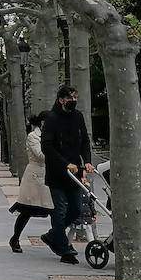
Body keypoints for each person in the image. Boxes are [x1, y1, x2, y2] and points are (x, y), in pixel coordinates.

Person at [40, 85, 92, 266]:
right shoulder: (51, 119)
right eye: (70, 97)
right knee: (60, 210)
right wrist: (64, 164)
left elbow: (85, 140)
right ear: (61, 99)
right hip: (57, 172)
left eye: (76, 97)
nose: (74, 100)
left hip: (75, 172)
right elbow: (47, 147)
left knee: (76, 209)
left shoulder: (78, 117)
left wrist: (86, 161)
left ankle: (53, 235)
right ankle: (64, 248)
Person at [9, 115, 53, 252]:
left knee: (55, 209)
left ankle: (57, 238)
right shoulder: (33, 136)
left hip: (50, 175)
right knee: (27, 210)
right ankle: (15, 238)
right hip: (35, 176)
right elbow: (40, 155)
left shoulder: (54, 134)